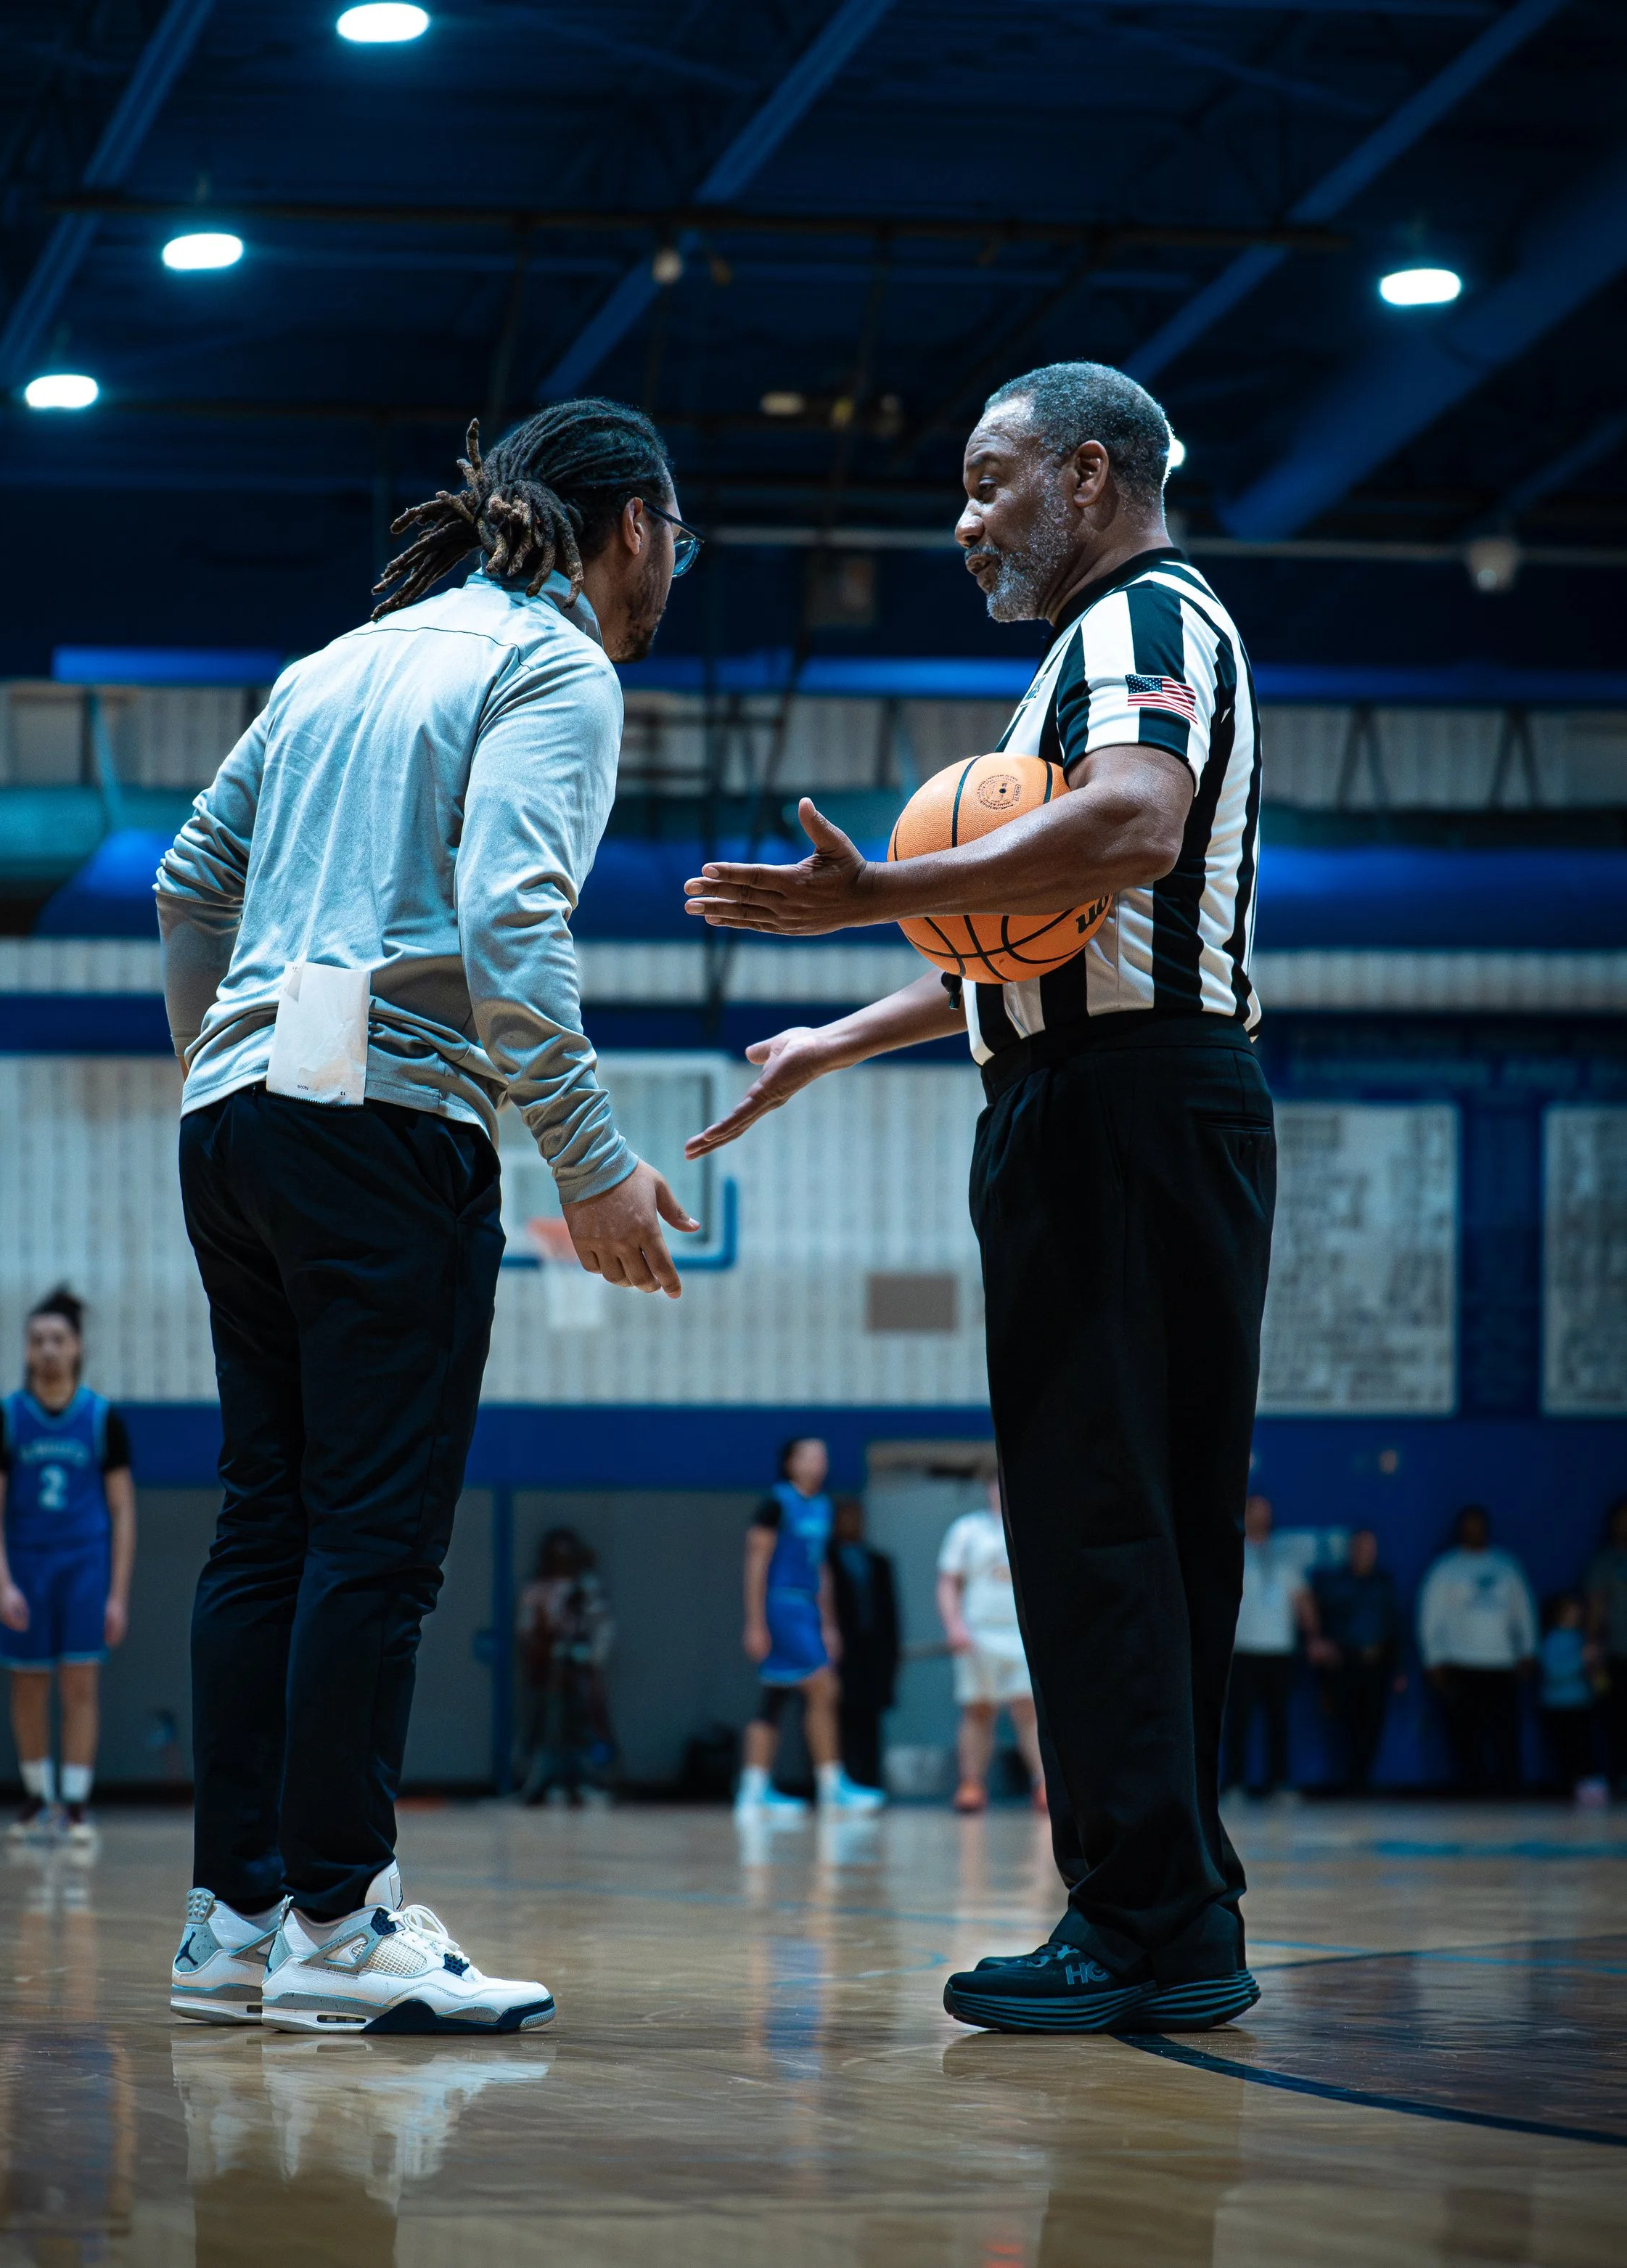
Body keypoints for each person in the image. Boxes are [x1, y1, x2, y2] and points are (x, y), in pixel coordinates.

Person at [687, 361, 1271, 2032]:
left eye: (989, 480)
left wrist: (874, 897)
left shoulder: (1133, 625)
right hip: (1132, 1100)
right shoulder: (1099, 658)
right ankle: (1170, 1912)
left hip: (1121, 1115)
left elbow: (1135, 831)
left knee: (1096, 1517)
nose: (963, 518)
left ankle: (1141, 1915)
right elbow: (1040, 953)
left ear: (1088, 477)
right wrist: (842, 1035)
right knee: (1135, 1524)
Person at [157, 400, 700, 2034]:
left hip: (233, 1117)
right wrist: (589, 1157)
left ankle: (233, 1918)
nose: (676, 563)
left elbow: (190, 878)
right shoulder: (557, 665)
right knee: (373, 1539)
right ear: (630, 527)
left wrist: (229, 1057)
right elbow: (509, 915)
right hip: (384, 1120)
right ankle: (339, 1915)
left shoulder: (335, 659)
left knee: (267, 1514)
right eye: (678, 534)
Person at [0, 1285, 135, 1846]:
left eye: (57, 1339)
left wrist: (117, 1592)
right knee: (28, 1685)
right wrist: (1, 1583)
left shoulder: (100, 1416)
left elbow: (123, 1509)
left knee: (80, 1684)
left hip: (84, 1562)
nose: (47, 1348)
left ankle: (77, 1805)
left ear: (77, 1347)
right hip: (26, 1564)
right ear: (26, 1348)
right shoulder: (8, 1417)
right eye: (38, 1339)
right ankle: (38, 1798)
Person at [736, 1438, 884, 1817]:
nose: (820, 1461)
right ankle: (832, 1783)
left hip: (807, 1607)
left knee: (775, 1696)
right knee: (824, 1685)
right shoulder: (776, 1504)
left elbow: (821, 1568)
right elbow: (756, 1563)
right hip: (781, 1604)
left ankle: (754, 1790)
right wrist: (755, 1622)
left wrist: (830, 1624)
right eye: (810, 1455)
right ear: (790, 1462)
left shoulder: (822, 1506)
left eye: (824, 1455)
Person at [936, 1478, 1045, 1814]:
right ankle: (971, 1784)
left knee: (1028, 1709)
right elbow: (948, 1582)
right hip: (978, 1633)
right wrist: (954, 1625)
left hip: (1021, 1633)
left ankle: (1044, 1785)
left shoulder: (1036, 1527)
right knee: (979, 1709)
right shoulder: (968, 1530)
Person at [1418, 1505, 1536, 1795]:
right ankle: (1472, 1792)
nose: (1474, 1529)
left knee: (1505, 1734)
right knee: (1464, 1735)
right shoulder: (1446, 1569)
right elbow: (1430, 1616)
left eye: (1478, 1524)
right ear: (1460, 1528)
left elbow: (1523, 1612)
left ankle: (1509, 1790)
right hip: (1461, 1662)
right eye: (1468, 1524)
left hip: (1501, 1662)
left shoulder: (1505, 1566)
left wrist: (1528, 1650)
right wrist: (1433, 1659)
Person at [1220, 1497, 1319, 1800]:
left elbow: (1303, 1601)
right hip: (1243, 1650)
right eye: (1254, 1511)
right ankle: (1234, 1784)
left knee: (1278, 1720)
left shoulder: (1285, 1558)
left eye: (1266, 1512)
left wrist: (1314, 1636)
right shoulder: (1232, 1555)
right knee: (1240, 1720)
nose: (1261, 1518)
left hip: (1279, 1651)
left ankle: (1279, 1783)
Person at [516, 1527, 615, 1806]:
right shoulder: (537, 1590)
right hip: (546, 1672)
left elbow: (601, 1628)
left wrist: (593, 1662)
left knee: (586, 1728)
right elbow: (525, 1632)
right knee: (547, 1729)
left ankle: (587, 1781)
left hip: (580, 1671)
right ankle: (544, 1781)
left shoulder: (586, 1588)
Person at [1310, 1528, 1406, 1794]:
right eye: (1360, 1547)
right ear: (1352, 1550)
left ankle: (1362, 1782)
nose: (1365, 1553)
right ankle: (1345, 1782)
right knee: (1344, 1723)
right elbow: (1325, 1623)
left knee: (1372, 1723)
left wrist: (1398, 1668)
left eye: (1370, 1548)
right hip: (1344, 1664)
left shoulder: (1383, 1583)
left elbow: (1393, 1625)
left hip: (1377, 1664)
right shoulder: (1335, 1584)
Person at [827, 1497, 901, 1792]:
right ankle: (838, 1781)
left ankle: (869, 1782)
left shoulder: (879, 1562)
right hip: (840, 1652)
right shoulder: (824, 1560)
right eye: (846, 1517)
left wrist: (892, 1657)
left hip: (874, 1654)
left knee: (870, 1721)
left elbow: (891, 1614)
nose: (853, 1524)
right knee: (837, 1718)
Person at [1537, 1594, 1600, 1802]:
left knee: (1584, 1748)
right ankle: (1568, 1790)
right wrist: (1581, 1660)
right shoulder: (1553, 1640)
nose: (1576, 1615)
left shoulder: (1582, 1637)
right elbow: (1555, 1673)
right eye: (1570, 1611)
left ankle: (1587, 1791)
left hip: (1581, 1703)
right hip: (1559, 1706)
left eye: (1577, 1610)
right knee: (1566, 1750)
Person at [1584, 1496, 1627, 1788]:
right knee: (1618, 1717)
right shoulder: (1606, 1562)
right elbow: (1596, 1609)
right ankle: (1621, 1775)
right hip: (1617, 1652)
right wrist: (1593, 1650)